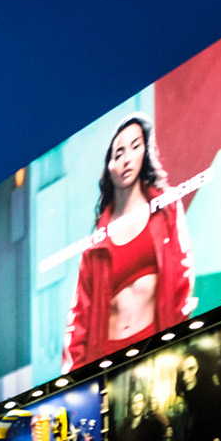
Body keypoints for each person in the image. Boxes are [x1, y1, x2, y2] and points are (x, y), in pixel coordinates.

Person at [63, 115, 196, 372]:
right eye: (118, 153)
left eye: (135, 146)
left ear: (145, 152)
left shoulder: (165, 209)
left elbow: (182, 275)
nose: (126, 159)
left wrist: (179, 338)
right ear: (109, 165)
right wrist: (75, 379)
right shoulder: (95, 246)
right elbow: (79, 319)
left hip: (156, 344)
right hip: (107, 356)